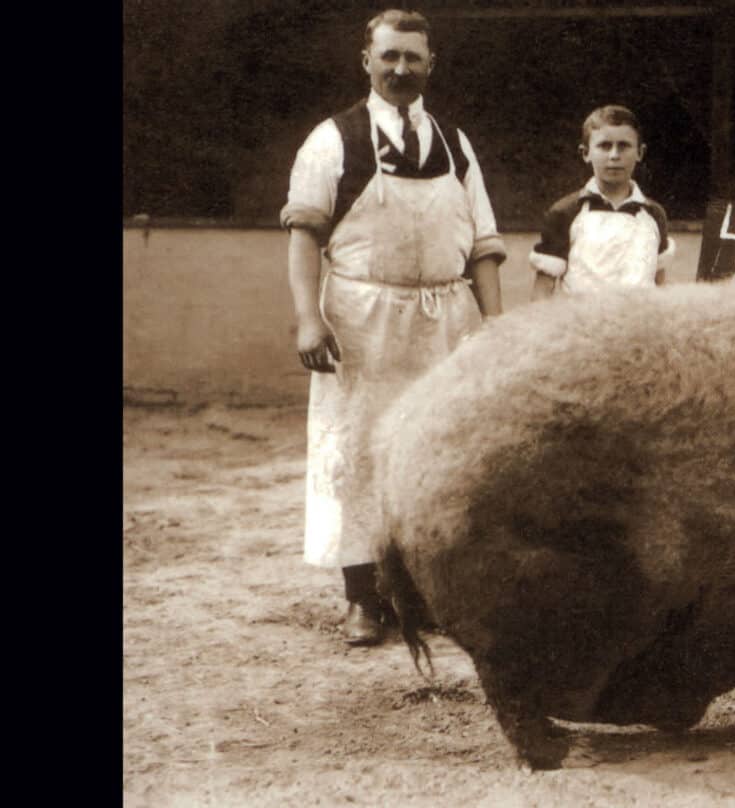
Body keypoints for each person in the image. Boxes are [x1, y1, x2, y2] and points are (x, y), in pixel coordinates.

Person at [280, 9, 507, 646]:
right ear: (367, 61)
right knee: (357, 451)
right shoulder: (334, 139)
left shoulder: (455, 144)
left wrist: (494, 326)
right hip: (362, 320)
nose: (401, 69)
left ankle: (423, 591)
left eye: (413, 58)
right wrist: (308, 318)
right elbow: (304, 234)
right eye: (390, 57)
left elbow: (484, 245)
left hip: (446, 319)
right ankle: (363, 596)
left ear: (430, 65)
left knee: (440, 454)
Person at [529, 105, 675, 298]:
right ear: (585, 153)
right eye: (604, 146)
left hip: (640, 324)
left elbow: (659, 282)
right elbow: (543, 290)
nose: (614, 155)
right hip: (582, 324)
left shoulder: (653, 214)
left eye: (624, 146)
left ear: (640, 152)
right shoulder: (565, 213)